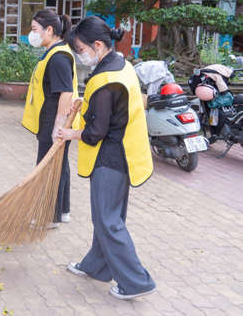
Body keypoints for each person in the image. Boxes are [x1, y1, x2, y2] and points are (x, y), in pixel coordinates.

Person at [57, 16, 156, 300]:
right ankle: (96, 266)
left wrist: (68, 134)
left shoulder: (103, 79)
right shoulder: (123, 65)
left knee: (108, 220)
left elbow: (95, 132)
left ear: (97, 45)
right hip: (126, 154)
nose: (79, 54)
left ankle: (137, 282)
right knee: (107, 217)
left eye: (80, 48)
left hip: (109, 158)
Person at [22, 9, 77, 229]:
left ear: (49, 30)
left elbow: (66, 92)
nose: (32, 34)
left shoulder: (59, 57)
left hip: (54, 120)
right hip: (52, 118)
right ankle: (62, 211)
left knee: (47, 168)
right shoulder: (53, 51)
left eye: (34, 29)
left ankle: (48, 216)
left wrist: (58, 125)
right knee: (59, 165)